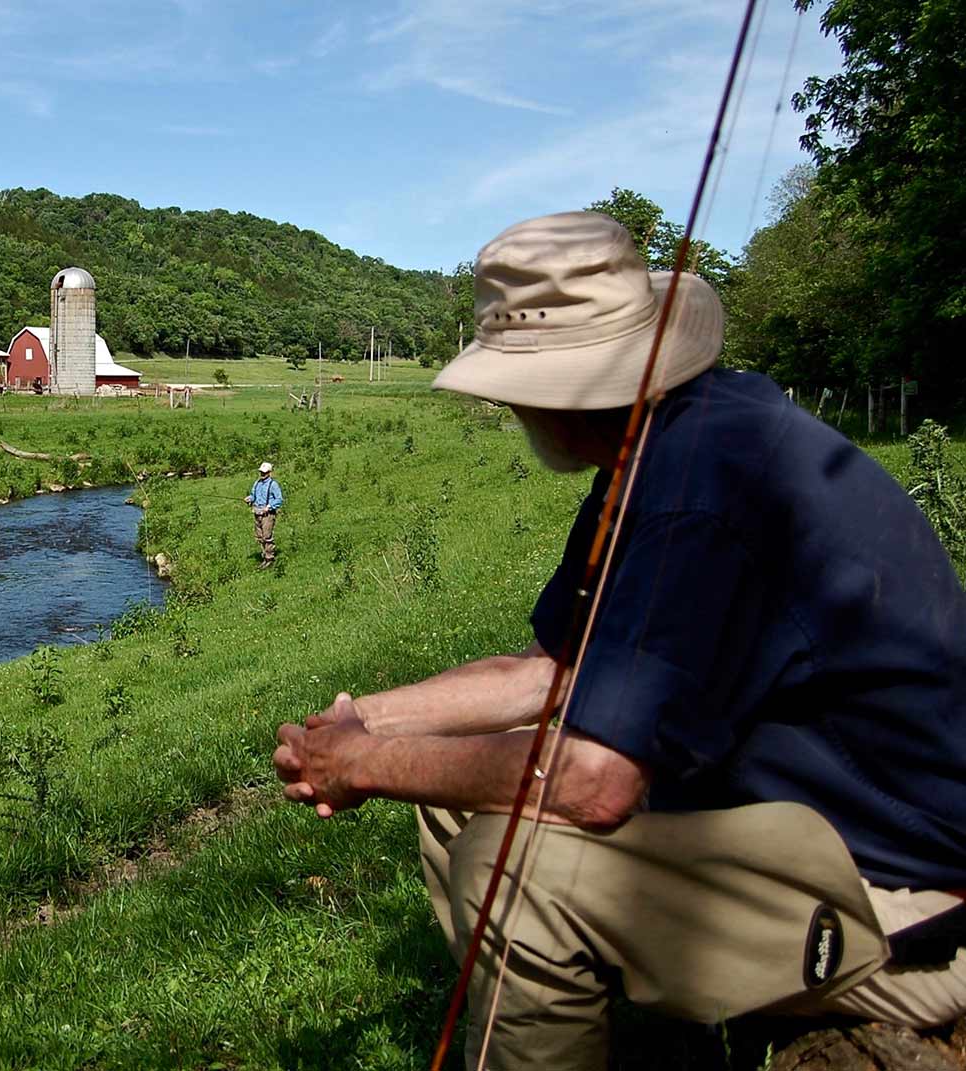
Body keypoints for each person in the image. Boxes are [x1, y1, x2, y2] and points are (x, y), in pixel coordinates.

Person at [272, 211, 966, 1071]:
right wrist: (360, 726)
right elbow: (552, 670)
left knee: (511, 866)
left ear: (556, 391)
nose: (504, 404)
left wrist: (366, 765)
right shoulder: (674, 443)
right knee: (455, 792)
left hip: (907, 903)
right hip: (789, 832)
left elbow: (597, 783)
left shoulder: (697, 490)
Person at [245, 461, 283, 568]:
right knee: (260, 537)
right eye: (261, 472)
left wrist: (269, 506)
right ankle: (264, 556)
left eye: (264, 472)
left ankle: (269, 558)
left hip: (268, 515)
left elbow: (279, 499)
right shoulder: (257, 483)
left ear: (269, 473)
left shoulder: (273, 485)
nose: (262, 474)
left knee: (267, 537)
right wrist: (249, 499)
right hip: (257, 513)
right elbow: (253, 496)